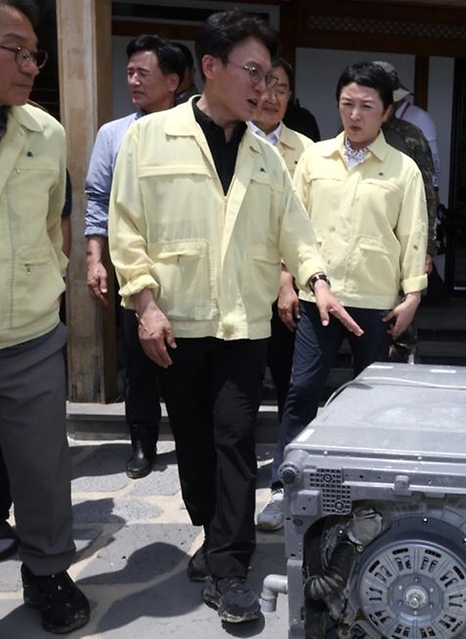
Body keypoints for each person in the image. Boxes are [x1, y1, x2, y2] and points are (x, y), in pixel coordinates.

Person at [109, 11, 360, 624]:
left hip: (244, 325)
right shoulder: (149, 138)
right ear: (211, 67)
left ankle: (229, 568)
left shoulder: (266, 157)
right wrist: (144, 304)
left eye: (270, 76)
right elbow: (126, 227)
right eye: (253, 71)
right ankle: (213, 530)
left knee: (235, 439)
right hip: (175, 323)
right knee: (194, 444)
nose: (264, 87)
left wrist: (318, 282)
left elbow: (296, 231)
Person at [261, 62, 428, 530]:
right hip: (317, 297)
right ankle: (284, 486)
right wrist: (286, 280)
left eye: (367, 106)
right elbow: (292, 226)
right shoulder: (314, 159)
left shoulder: (403, 169)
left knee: (371, 404)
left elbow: (414, 235)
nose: (355, 115)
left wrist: (412, 296)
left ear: (386, 111)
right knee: (302, 390)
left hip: (377, 303)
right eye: (347, 104)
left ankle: (364, 493)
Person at [0, 0, 90, 632]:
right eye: (17, 50)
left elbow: (59, 214)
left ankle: (47, 569)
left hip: (28, 332)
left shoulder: (47, 131)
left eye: (36, 53)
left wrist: (50, 275)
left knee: (42, 466)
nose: (32, 66)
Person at [85, 34, 185, 480]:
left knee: (187, 361)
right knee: (139, 362)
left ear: (173, 81)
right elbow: (97, 199)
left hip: (186, 270)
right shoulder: (114, 134)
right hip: (134, 268)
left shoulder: (194, 130)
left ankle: (190, 438)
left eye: (143, 73)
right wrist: (95, 259)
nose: (133, 81)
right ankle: (142, 441)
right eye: (129, 73)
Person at [247, 56, 313, 444]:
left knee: (292, 376)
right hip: (242, 280)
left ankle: (292, 455)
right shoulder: (229, 140)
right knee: (242, 379)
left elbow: (307, 222)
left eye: (282, 90)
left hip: (291, 285)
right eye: (266, 87)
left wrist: (287, 278)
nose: (271, 98)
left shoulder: (309, 151)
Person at [374, 59, 437, 364]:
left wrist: (428, 247)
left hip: (404, 241)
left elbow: (428, 194)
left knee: (399, 322)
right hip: (365, 241)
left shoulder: (411, 136)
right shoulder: (348, 133)